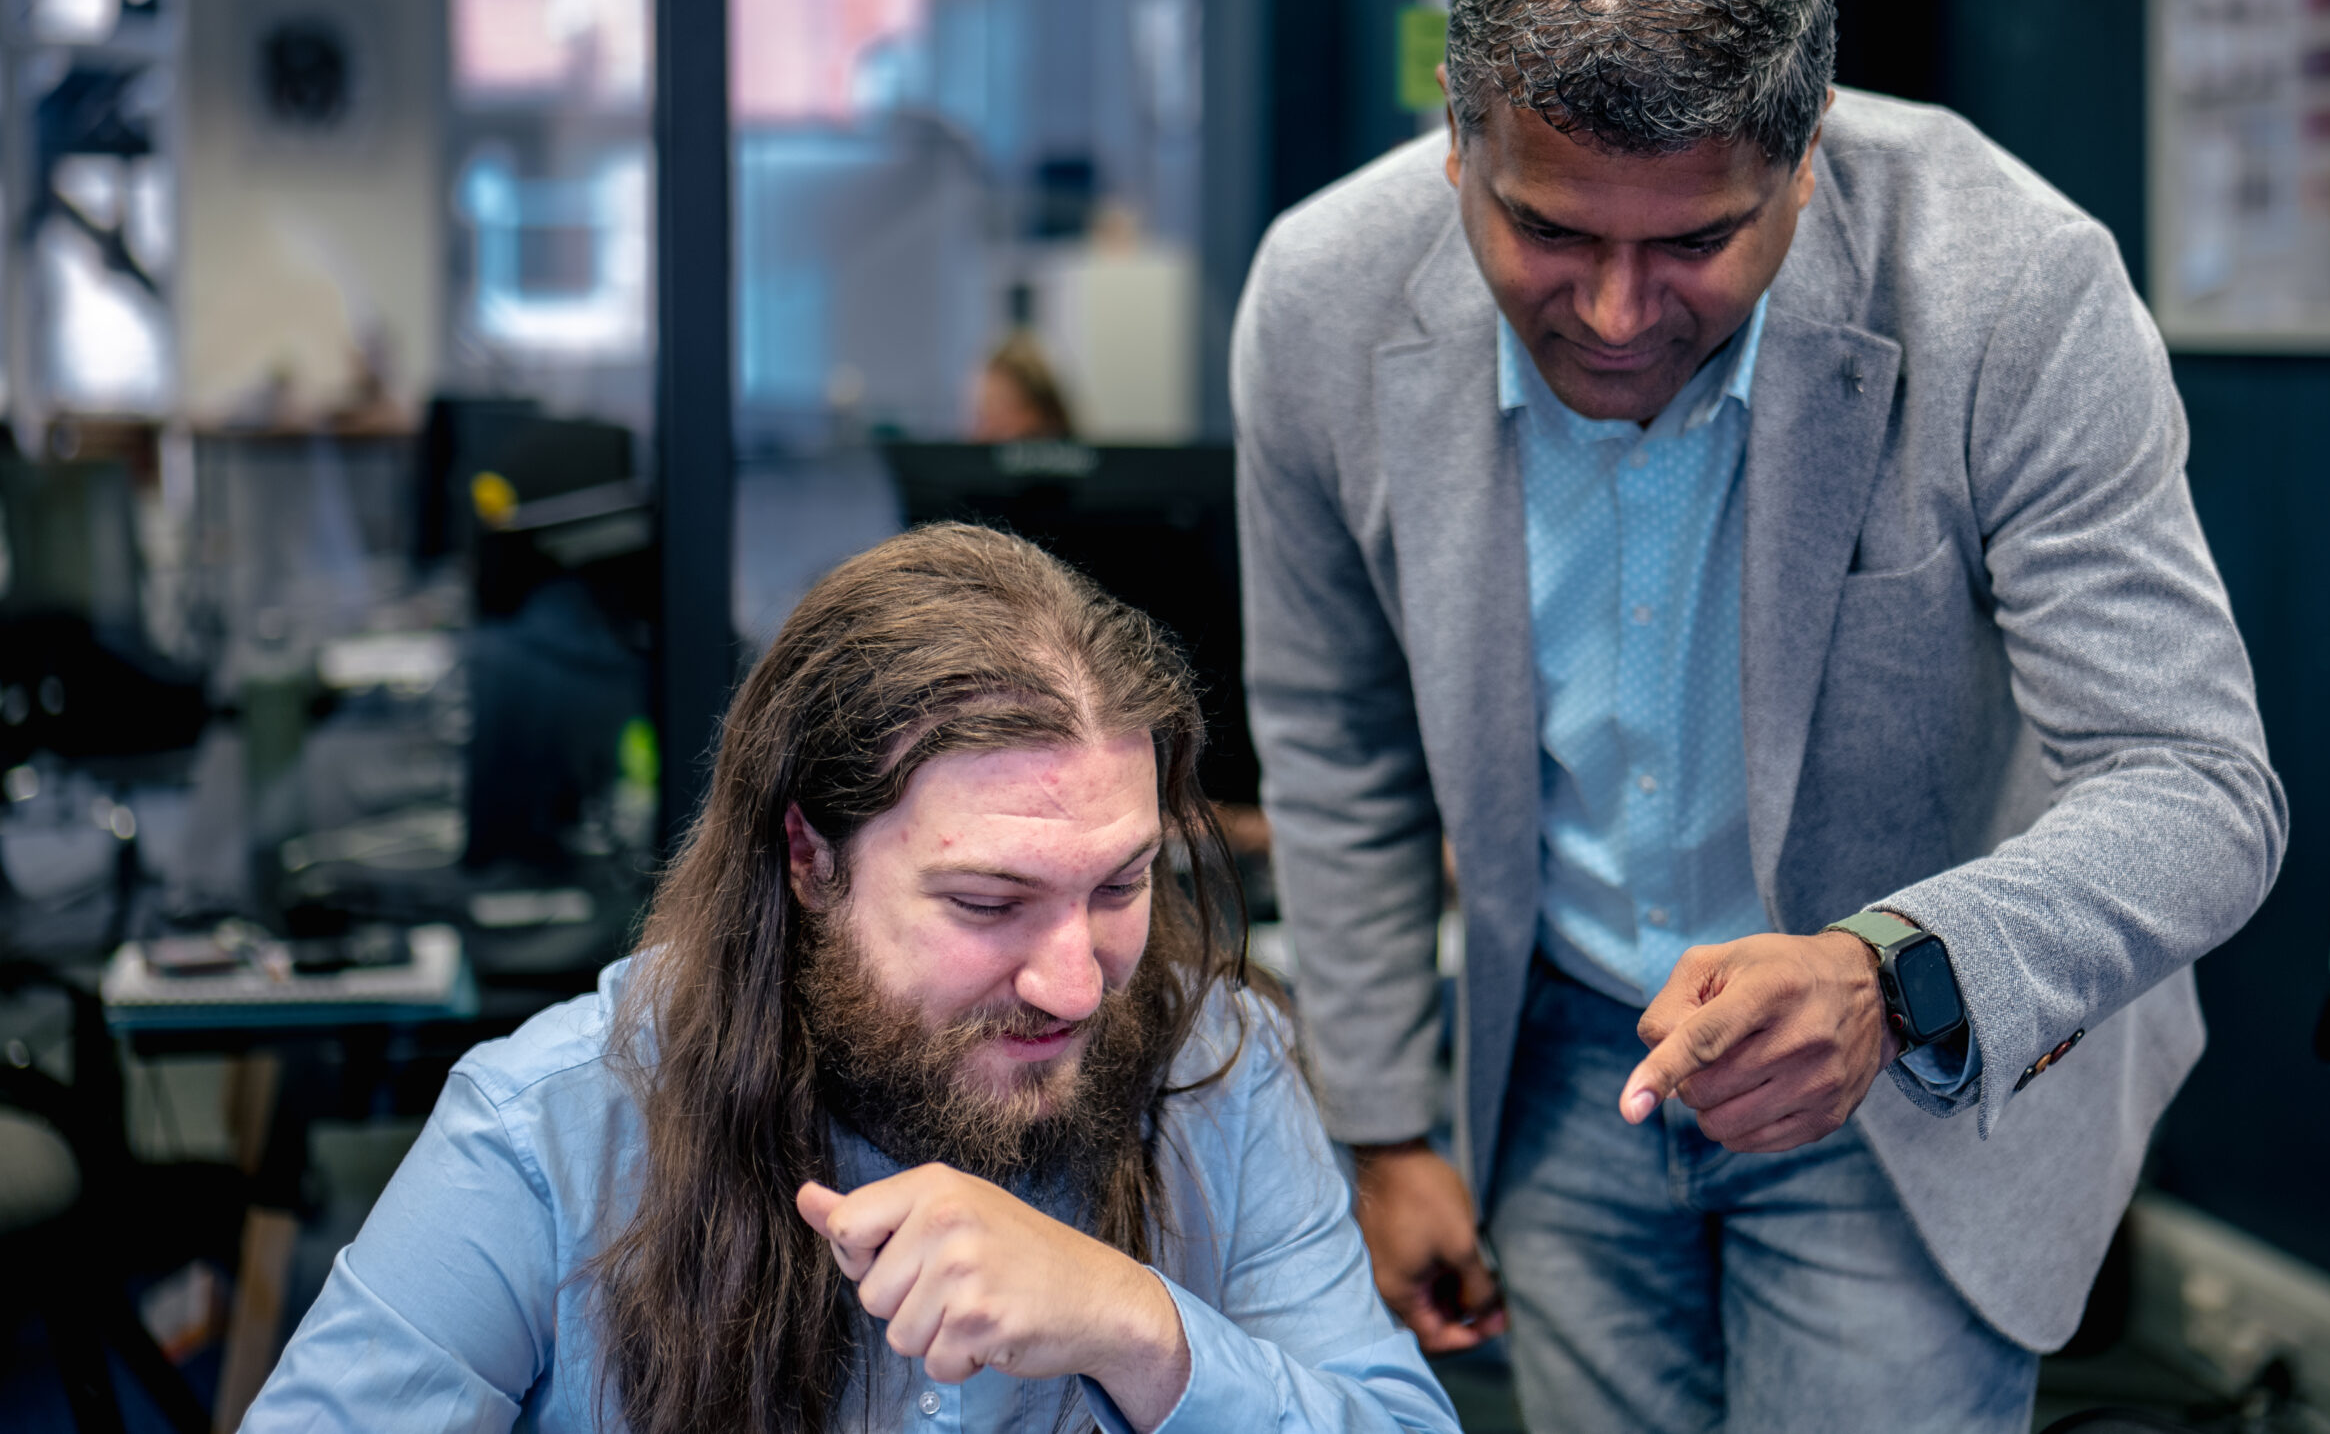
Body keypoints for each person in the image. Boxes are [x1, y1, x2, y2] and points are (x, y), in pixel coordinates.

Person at [1234, 0, 2285, 1433]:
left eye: (1693, 246)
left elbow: (2198, 781)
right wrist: (1380, 1123)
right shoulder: (1322, 297)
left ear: (1809, 158)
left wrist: (1892, 970)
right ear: (1458, 140)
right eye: (1551, 234)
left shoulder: (2013, 289)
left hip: (1901, 1079)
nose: (1611, 310)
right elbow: (1334, 728)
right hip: (1563, 1056)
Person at [243, 524, 1458, 1434]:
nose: (1077, 984)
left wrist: (1134, 1327)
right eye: (989, 904)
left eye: (1120, 887)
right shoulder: (552, 1129)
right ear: (809, 858)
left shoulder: (1216, 1073)